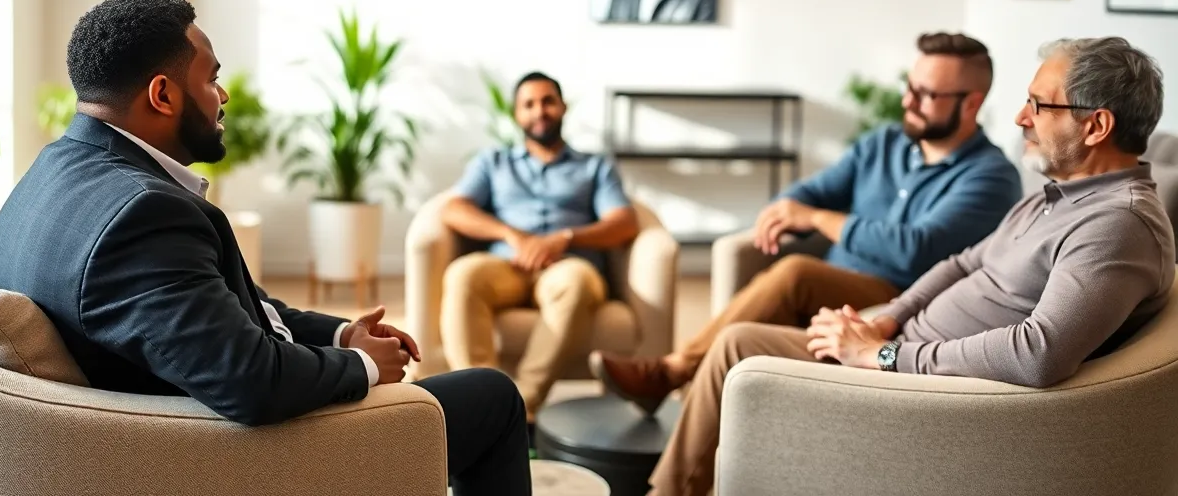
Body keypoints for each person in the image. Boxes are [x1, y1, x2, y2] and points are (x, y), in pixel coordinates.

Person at [0, 0, 531, 496]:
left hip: (158, 428)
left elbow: (222, 304)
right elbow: (250, 382)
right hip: (228, 462)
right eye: (211, 79)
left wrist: (339, 331)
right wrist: (362, 362)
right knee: (493, 397)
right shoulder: (145, 215)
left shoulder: (52, 173)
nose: (222, 97)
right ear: (163, 94)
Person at [643, 36, 1173, 496]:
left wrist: (887, 354)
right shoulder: (1056, 196)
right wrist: (886, 320)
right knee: (736, 341)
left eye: (1039, 104)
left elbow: (1039, 354)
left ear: (1096, 126)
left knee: (746, 353)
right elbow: (962, 261)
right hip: (901, 350)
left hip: (925, 395)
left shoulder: (1116, 226)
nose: (1020, 117)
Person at [591, 32, 1024, 412]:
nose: (908, 101)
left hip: (901, 301)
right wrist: (787, 210)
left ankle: (670, 371)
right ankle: (705, 390)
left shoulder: (991, 175)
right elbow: (809, 192)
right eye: (910, 87)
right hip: (835, 278)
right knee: (790, 278)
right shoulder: (884, 143)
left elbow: (914, 248)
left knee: (797, 273)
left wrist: (815, 217)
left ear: (972, 103)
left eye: (927, 94)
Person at [439, 71, 639, 430]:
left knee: (576, 283)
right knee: (462, 275)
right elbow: (454, 209)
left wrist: (564, 238)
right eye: (528, 104)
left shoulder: (595, 166)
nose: (539, 111)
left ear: (562, 107)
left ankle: (519, 411)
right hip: (507, 265)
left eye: (548, 101)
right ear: (517, 114)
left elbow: (624, 223)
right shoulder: (493, 162)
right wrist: (514, 236)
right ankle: (480, 401)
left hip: (568, 266)